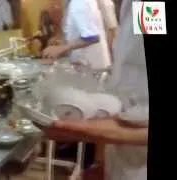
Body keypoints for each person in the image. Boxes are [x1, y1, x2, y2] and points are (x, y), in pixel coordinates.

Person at [37, 0, 149, 179]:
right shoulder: (141, 7)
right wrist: (102, 158)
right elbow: (133, 67)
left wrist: (85, 129)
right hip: (124, 158)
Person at [42, 0, 112, 70]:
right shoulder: (73, 4)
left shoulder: (80, 3)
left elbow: (92, 37)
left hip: (93, 67)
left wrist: (61, 48)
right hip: (85, 65)